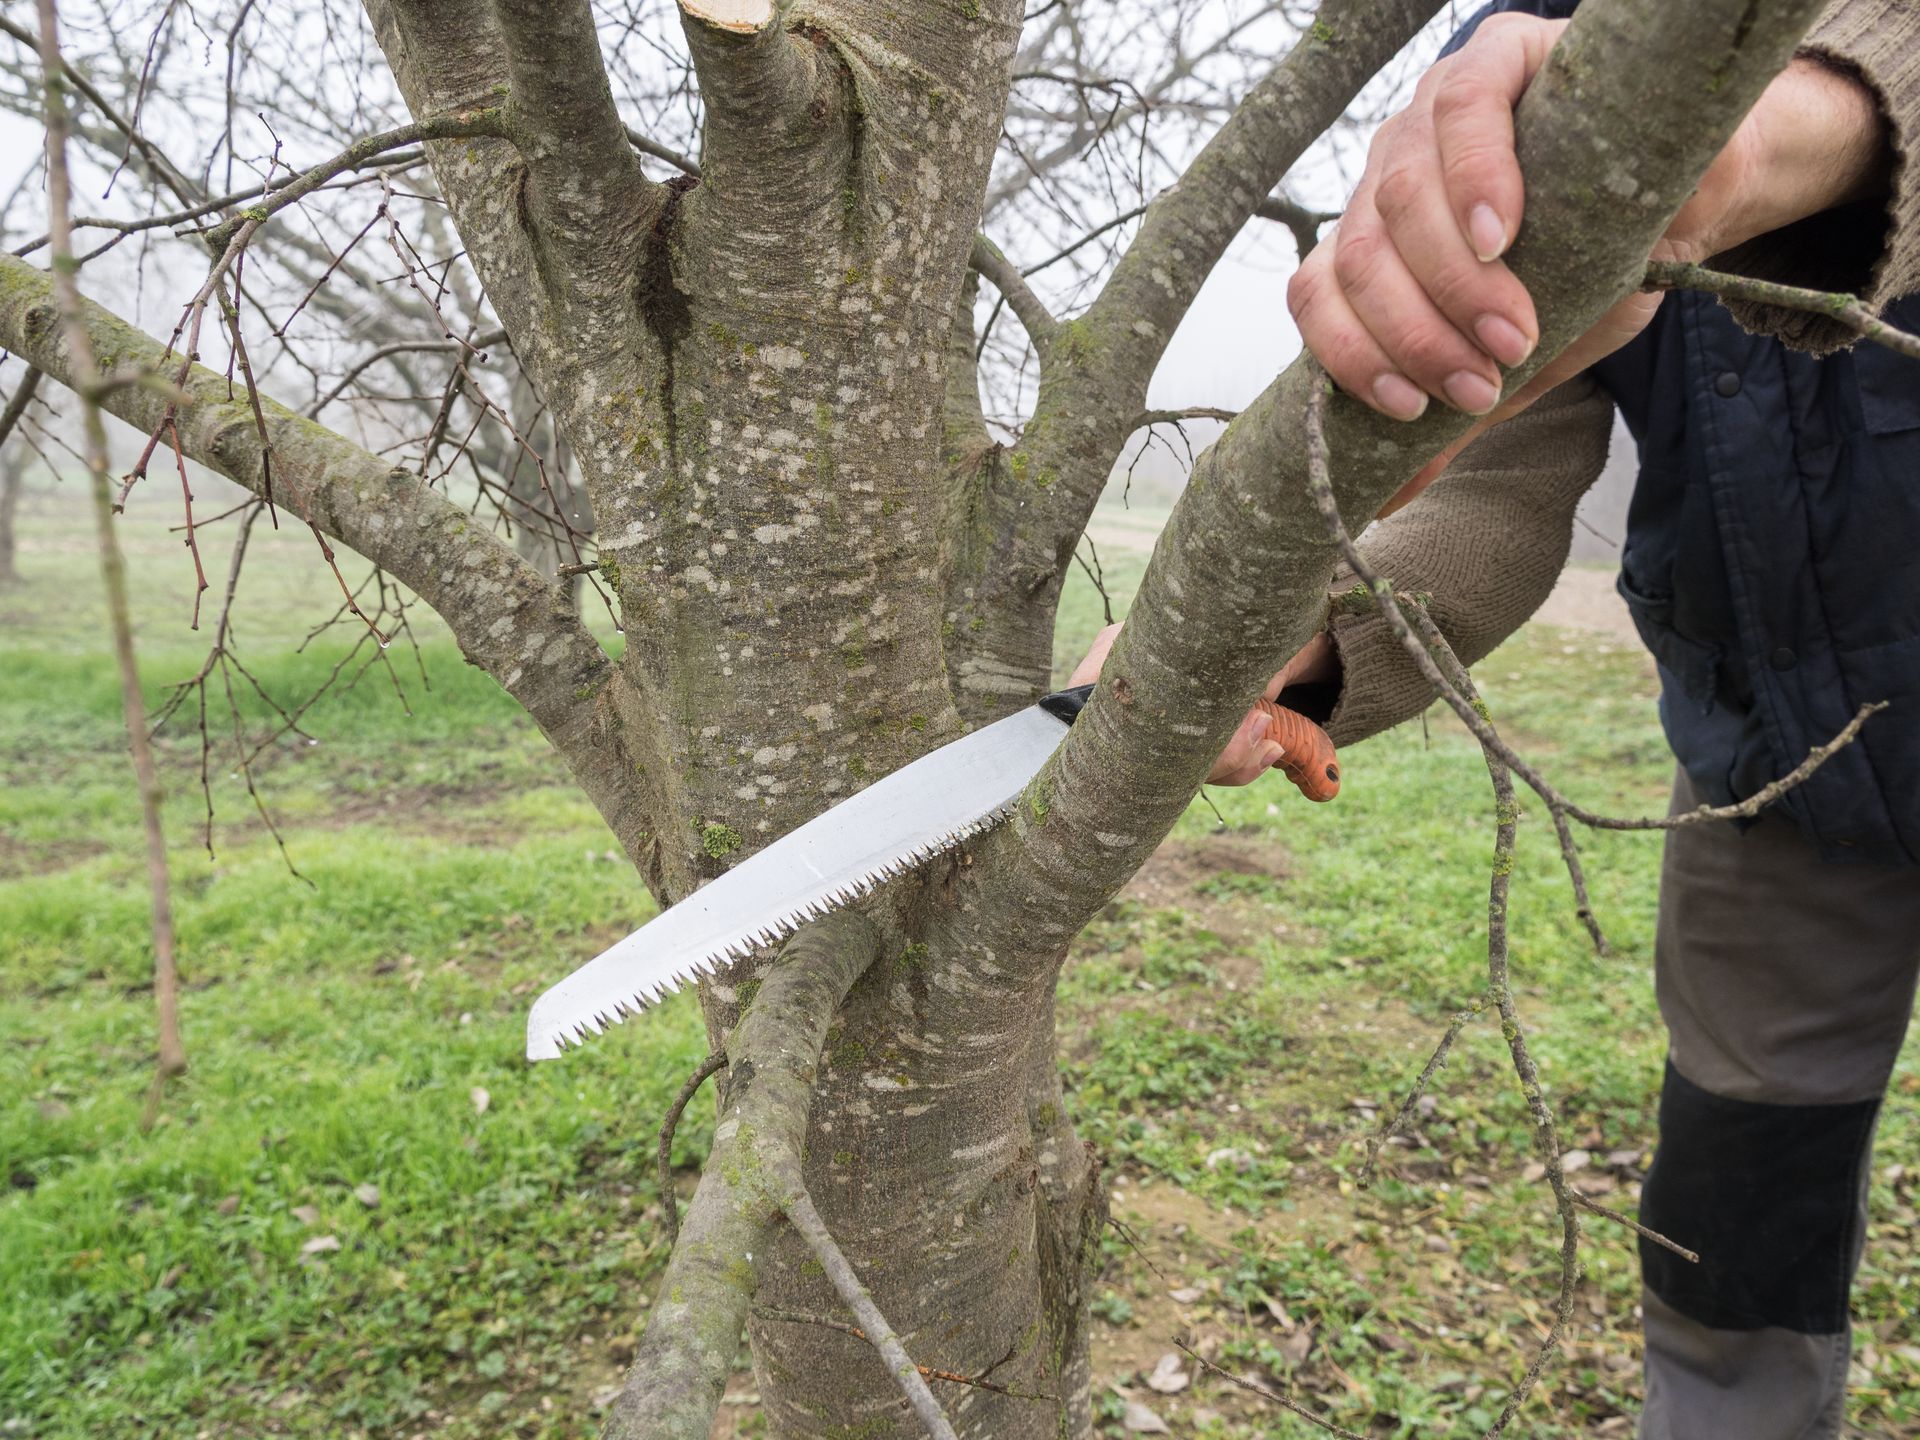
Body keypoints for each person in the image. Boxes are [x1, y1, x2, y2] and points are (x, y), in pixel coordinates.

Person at [1073, 3, 1920, 1435]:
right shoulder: (1549, 56)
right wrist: (1302, 645)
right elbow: (1497, 476)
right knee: (1736, 1226)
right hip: (1768, 787)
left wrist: (1788, 124)